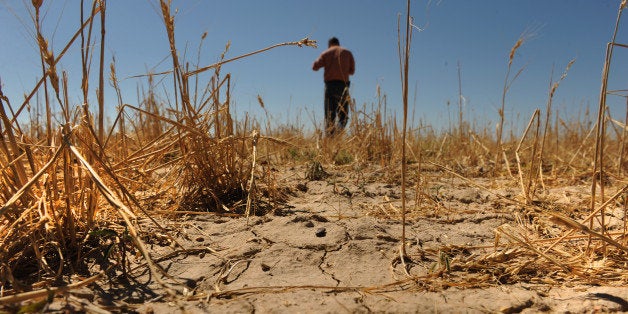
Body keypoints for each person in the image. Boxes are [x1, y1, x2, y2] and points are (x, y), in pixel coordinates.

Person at [312, 37, 355, 137]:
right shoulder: (347, 53)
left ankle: (330, 138)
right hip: (343, 86)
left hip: (330, 86)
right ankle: (337, 134)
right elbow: (352, 71)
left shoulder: (326, 53)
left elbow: (314, 67)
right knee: (343, 117)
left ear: (329, 44)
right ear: (338, 43)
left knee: (329, 115)